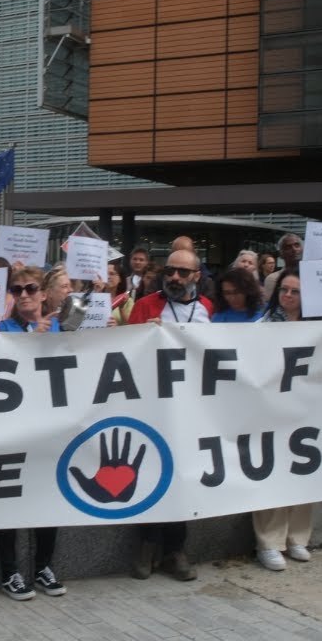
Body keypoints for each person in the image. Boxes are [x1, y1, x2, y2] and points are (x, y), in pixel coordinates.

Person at [253, 271, 322, 570]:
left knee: (304, 473)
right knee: (273, 475)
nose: (287, 296)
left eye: (295, 291)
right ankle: (269, 542)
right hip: (273, 409)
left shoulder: (320, 326)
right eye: (283, 290)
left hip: (309, 410)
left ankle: (298, 538)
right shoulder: (264, 324)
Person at [126, 249, 214, 581]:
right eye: (169, 271)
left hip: (191, 408)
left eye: (182, 272)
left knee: (183, 476)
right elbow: (125, 349)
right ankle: (146, 546)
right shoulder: (147, 304)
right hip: (153, 406)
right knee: (151, 473)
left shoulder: (207, 308)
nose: (174, 277)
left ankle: (176, 550)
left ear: (196, 276)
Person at [0, 267, 65, 600]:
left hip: (49, 428)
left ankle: (43, 566)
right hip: (11, 429)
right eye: (17, 291)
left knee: (48, 499)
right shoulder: (2, 329)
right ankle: (9, 572)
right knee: (9, 502)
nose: (24, 295)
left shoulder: (62, 328)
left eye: (31, 288)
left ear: (43, 294)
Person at [262, 234, 302, 302]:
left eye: (297, 245)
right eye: (288, 247)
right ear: (281, 254)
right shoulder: (273, 279)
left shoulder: (313, 275)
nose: (294, 249)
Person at [106, 261, 134, 325]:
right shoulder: (95, 296)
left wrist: (117, 327)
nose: (108, 277)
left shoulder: (128, 301)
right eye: (105, 274)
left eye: (112, 274)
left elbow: (131, 326)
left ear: (120, 278)